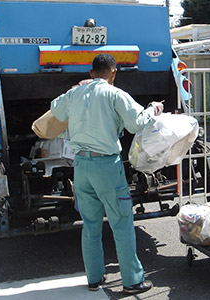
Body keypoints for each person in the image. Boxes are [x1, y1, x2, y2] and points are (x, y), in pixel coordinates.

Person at [50, 54, 164, 294]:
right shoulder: (115, 94)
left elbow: (55, 110)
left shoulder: (74, 94)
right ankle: (132, 281)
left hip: (80, 165)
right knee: (121, 223)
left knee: (90, 224)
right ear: (114, 73)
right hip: (106, 166)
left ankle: (94, 278)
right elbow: (136, 124)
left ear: (91, 73)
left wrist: (74, 89)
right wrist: (154, 109)